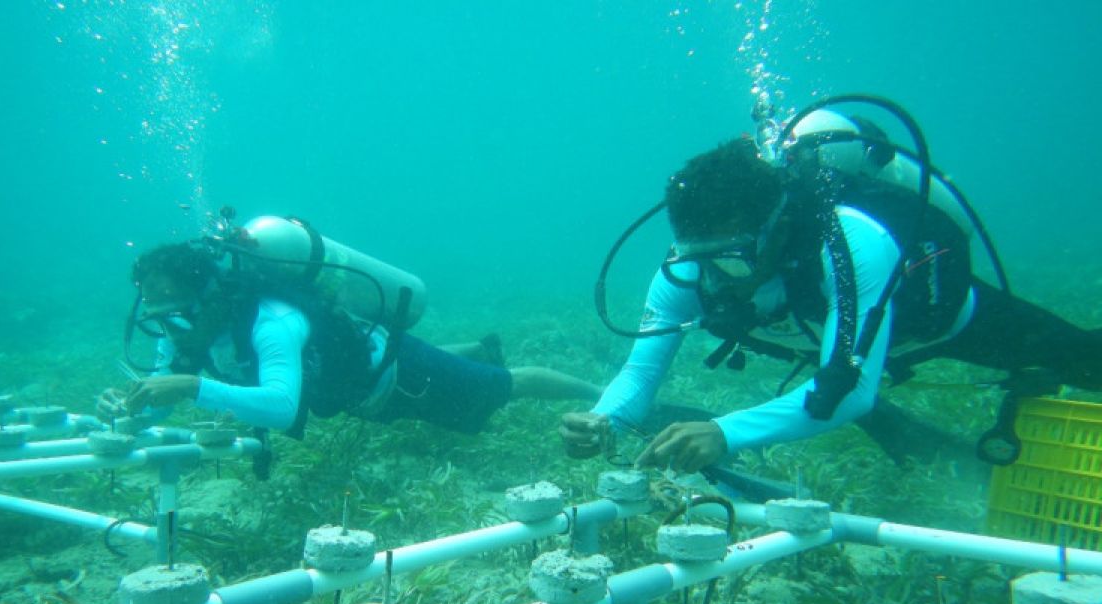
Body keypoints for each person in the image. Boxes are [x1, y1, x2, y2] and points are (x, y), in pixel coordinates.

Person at [561, 110, 1102, 474]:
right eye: (698, 254)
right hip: (826, 341)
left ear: (777, 225)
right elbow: (640, 373)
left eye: (731, 254)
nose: (716, 275)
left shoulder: (851, 243)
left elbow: (849, 390)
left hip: (939, 325)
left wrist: (723, 433)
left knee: (1083, 360)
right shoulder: (688, 270)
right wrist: (607, 417)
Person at [99, 215, 601, 441]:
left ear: (207, 291)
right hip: (358, 383)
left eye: (170, 303)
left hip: (396, 377)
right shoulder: (183, 327)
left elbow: (280, 406)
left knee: (505, 387)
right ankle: (477, 347)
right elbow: (162, 392)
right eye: (154, 306)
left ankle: (604, 394)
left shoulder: (273, 321)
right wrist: (131, 408)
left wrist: (190, 386)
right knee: (422, 358)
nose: (162, 320)